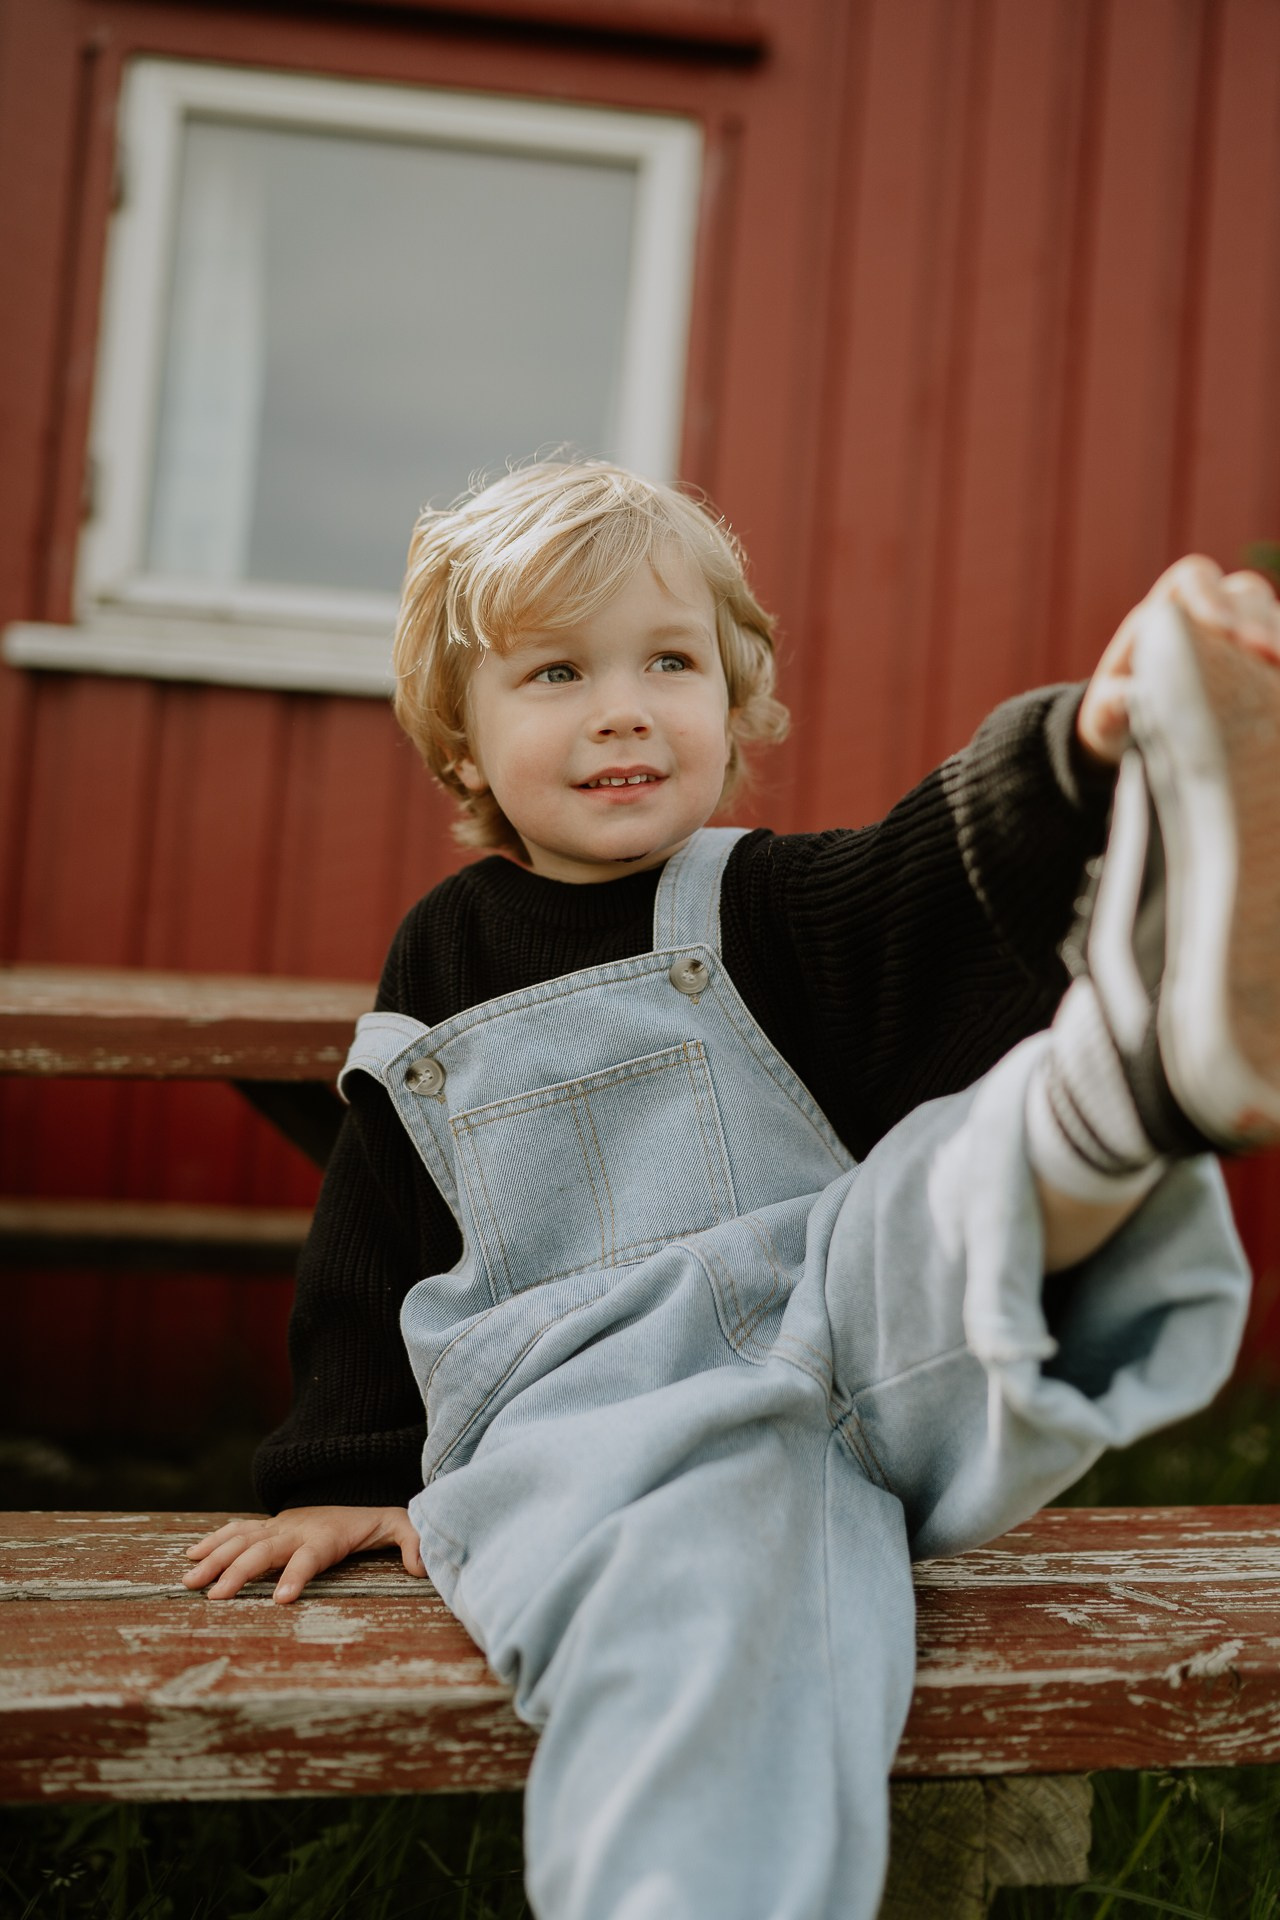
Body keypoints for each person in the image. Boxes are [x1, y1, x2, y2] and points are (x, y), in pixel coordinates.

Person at [185, 462, 1279, 1920]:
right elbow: (375, 1230)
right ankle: (1120, 1079)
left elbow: (929, 881)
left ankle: (1141, 1073)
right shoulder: (438, 957)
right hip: (597, 1415)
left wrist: (1085, 745)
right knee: (699, 1642)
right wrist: (343, 1475)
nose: (623, 706)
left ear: (735, 697)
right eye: (557, 670)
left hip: (836, 1314)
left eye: (671, 662)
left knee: (944, 1191)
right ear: (462, 738)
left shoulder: (759, 898)